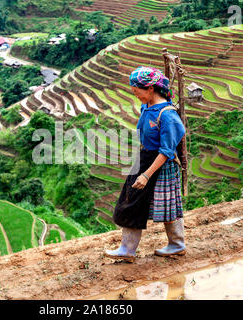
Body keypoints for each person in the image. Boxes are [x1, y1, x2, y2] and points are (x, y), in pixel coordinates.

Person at [104, 66, 186, 263]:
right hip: (144, 157)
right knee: (130, 201)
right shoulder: (147, 107)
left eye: (137, 91)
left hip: (161, 164)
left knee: (167, 207)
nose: (136, 95)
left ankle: (177, 245)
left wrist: (146, 175)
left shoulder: (168, 116)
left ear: (150, 88)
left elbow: (167, 151)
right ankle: (127, 249)